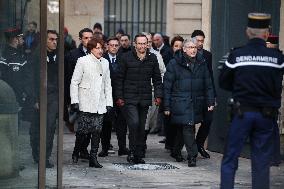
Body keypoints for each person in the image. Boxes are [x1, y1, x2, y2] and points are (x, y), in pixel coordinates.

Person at [219, 13, 284, 189]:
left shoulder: (237, 55)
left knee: (230, 158)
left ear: (248, 32)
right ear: (266, 34)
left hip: (242, 113)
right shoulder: (277, 58)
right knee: (262, 161)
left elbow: (223, 81)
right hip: (266, 115)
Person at [163, 38, 214, 167]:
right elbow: (167, 86)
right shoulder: (174, 64)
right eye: (190, 47)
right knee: (188, 126)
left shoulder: (202, 62)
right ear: (184, 49)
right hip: (180, 102)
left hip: (196, 101)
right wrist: (167, 106)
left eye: (195, 47)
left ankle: (175, 151)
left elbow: (208, 84)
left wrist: (210, 101)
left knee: (183, 127)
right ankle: (192, 156)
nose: (193, 50)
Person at [114, 33, 163, 164]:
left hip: (145, 98)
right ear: (134, 44)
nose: (142, 46)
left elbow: (157, 79)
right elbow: (119, 79)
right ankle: (131, 151)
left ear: (148, 44)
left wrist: (158, 95)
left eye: (144, 43)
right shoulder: (126, 58)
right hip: (129, 98)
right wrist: (119, 97)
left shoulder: (152, 58)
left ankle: (137, 154)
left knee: (142, 127)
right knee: (134, 123)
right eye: (139, 43)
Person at [70, 38, 113, 168]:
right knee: (82, 132)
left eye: (102, 48)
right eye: (97, 48)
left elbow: (107, 84)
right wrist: (75, 101)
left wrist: (109, 102)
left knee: (97, 130)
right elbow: (74, 81)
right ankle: (76, 151)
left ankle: (93, 158)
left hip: (100, 103)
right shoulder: (83, 61)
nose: (100, 50)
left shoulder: (105, 62)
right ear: (91, 49)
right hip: (85, 102)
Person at [29, 30, 60, 168]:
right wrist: (35, 99)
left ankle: (45, 157)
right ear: (44, 40)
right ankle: (36, 154)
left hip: (54, 96)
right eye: (51, 39)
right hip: (39, 95)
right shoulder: (36, 56)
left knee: (50, 127)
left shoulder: (59, 55)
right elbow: (32, 78)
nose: (54, 42)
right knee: (36, 127)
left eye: (56, 39)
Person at [65, 28, 93, 161]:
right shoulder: (73, 55)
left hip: (93, 95)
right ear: (81, 39)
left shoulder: (97, 53)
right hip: (79, 95)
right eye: (86, 38)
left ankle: (82, 149)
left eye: (90, 38)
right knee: (82, 126)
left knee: (91, 126)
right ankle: (78, 150)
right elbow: (69, 77)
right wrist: (71, 98)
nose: (88, 40)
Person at [98, 37, 129, 157]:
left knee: (122, 123)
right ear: (107, 46)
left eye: (116, 45)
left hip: (121, 95)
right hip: (106, 97)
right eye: (112, 45)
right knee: (106, 124)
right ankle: (105, 148)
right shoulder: (102, 59)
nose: (114, 47)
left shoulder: (123, 59)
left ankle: (122, 148)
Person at [191, 29, 216, 159]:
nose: (200, 43)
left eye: (202, 41)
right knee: (190, 121)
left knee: (208, 119)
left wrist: (213, 96)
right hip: (191, 94)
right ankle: (189, 148)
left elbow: (210, 76)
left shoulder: (207, 55)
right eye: (198, 40)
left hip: (205, 93)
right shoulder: (186, 53)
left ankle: (199, 144)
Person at [266, 34, 282, 167]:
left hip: (270, 99)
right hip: (272, 99)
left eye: (267, 43)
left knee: (271, 128)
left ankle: (274, 157)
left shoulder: (274, 59)